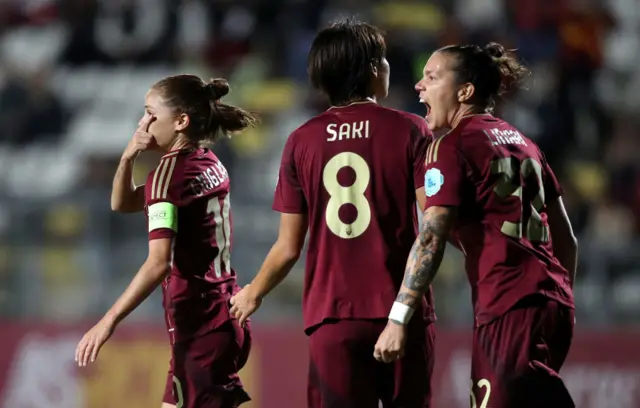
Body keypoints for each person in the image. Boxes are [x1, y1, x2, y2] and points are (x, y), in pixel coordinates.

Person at [229, 18, 436, 408]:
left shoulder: (301, 141)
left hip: (332, 316)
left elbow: (288, 246)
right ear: (374, 69)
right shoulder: (411, 129)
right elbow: (434, 223)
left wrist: (253, 292)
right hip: (401, 310)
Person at [374, 43, 578, 408]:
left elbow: (431, 236)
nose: (419, 86)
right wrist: (557, 297)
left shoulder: (451, 145)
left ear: (465, 91)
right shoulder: (526, 144)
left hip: (507, 305)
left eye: (432, 77)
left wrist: (399, 316)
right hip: (555, 305)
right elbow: (568, 240)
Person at [74, 75, 258, 408]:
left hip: (200, 327)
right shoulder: (207, 162)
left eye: (150, 113)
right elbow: (123, 203)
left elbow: (159, 262)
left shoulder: (167, 177)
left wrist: (107, 320)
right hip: (224, 317)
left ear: (181, 121)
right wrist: (127, 158)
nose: (143, 122)